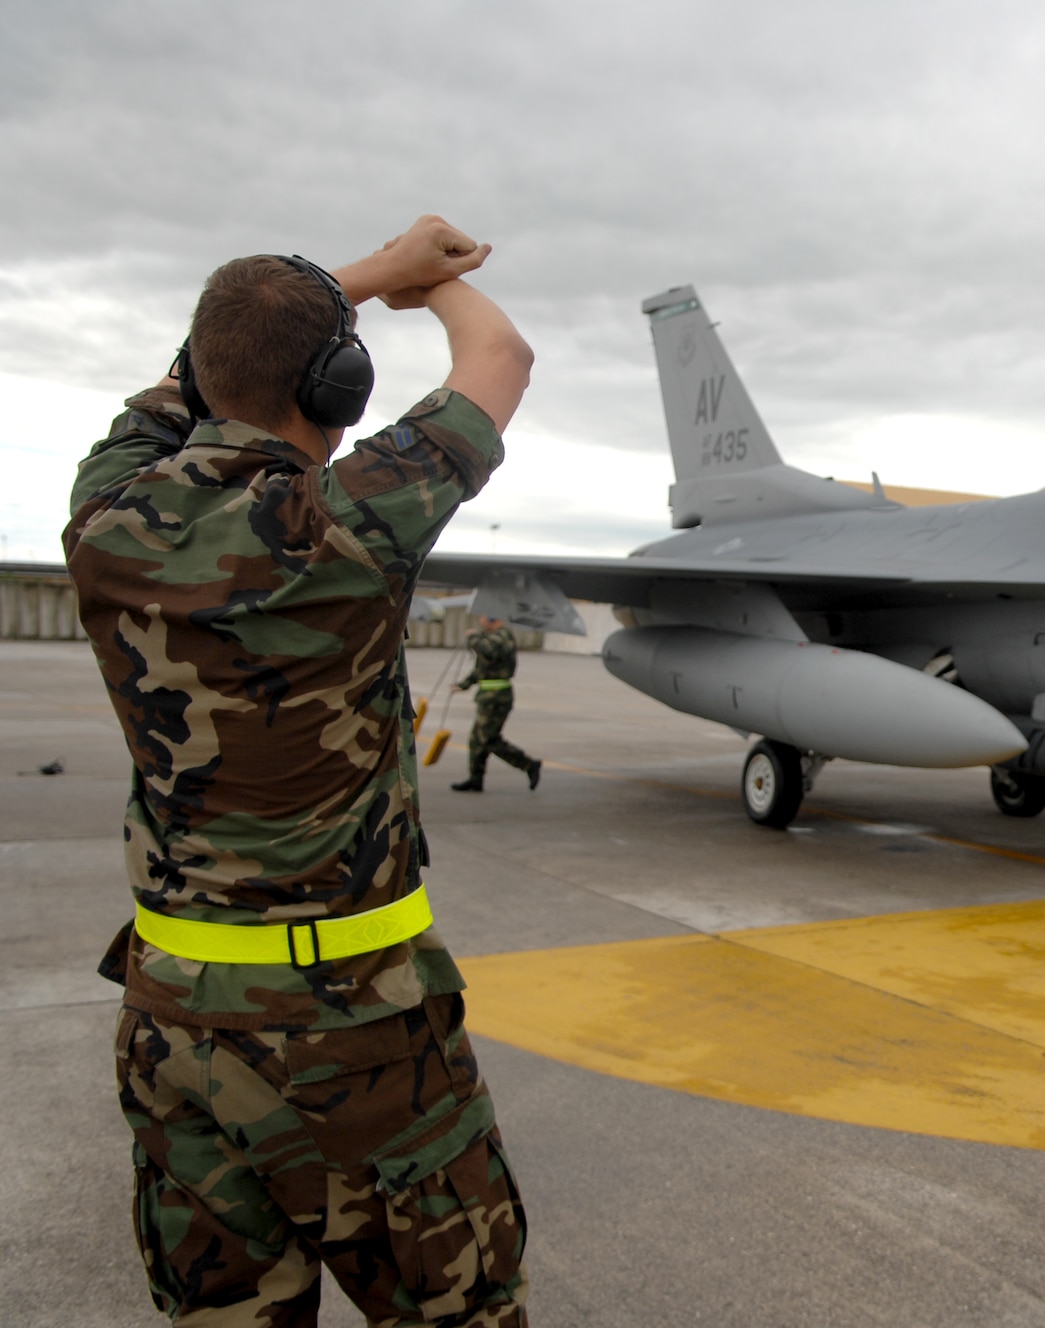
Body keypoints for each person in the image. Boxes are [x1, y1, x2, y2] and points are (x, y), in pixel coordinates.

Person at [63, 216, 534, 1327]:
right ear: (341, 388)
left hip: (173, 1021)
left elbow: (182, 379)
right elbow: (501, 359)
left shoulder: (106, 518)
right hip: (358, 1035)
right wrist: (433, 284)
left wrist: (361, 278)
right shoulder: (344, 517)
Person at [452, 615, 543, 793]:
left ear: (491, 617)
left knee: (489, 739)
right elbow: (481, 669)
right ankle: (475, 779)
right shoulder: (490, 636)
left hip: (498, 698)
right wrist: (463, 685)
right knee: (477, 740)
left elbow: (490, 652)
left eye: (482, 616)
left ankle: (528, 764)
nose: (479, 621)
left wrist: (473, 638)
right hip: (487, 696)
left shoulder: (502, 636)